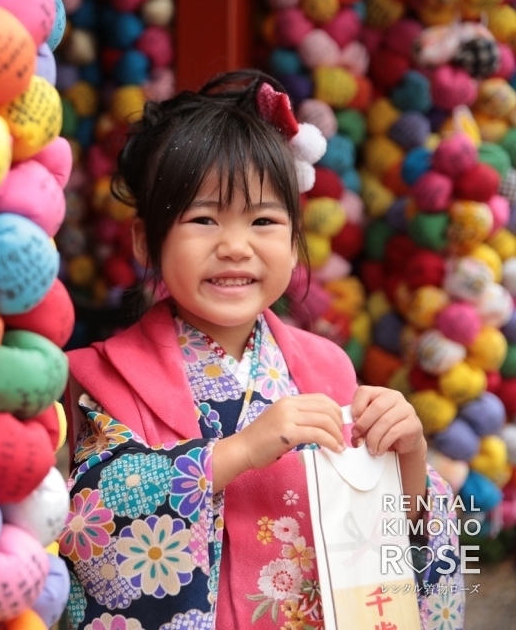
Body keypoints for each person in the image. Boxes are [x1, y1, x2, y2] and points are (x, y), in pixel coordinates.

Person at [59, 70, 464, 630]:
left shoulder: (327, 368)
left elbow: (390, 536)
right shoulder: (106, 377)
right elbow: (89, 520)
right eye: (203, 219)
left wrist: (410, 460)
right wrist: (241, 451)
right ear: (146, 240)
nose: (234, 246)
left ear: (295, 242)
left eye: (264, 220)